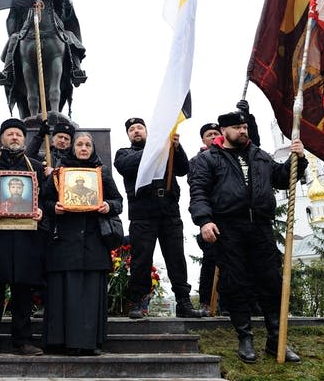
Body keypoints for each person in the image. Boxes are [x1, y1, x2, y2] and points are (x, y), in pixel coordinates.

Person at [188, 110, 306, 363]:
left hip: (261, 227)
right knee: (236, 284)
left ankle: (276, 339)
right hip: (228, 229)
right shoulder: (209, 159)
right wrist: (204, 220)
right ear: (224, 132)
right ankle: (245, 337)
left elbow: (283, 179)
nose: (243, 131)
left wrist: (298, 159)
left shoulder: (260, 156)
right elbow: (198, 192)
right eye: (238, 128)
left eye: (245, 127)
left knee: (271, 282)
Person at [114, 117, 206, 319]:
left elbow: (183, 169)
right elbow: (125, 166)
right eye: (132, 129)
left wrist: (175, 147)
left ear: (147, 131)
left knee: (176, 259)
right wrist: (156, 148)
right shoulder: (124, 153)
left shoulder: (166, 149)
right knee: (141, 260)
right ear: (128, 135)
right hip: (142, 213)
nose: (136, 131)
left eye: (140, 128)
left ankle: (183, 301)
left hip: (169, 211)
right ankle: (137, 301)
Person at [42, 132, 123, 355]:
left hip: (93, 243)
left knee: (89, 295)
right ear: (73, 148)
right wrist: (53, 208)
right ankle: (60, 342)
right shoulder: (59, 172)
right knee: (63, 293)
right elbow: (44, 200)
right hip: (64, 242)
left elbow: (118, 202)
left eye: (88, 144)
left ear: (93, 149)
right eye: (80, 144)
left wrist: (108, 205)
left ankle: (88, 343)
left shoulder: (102, 173)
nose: (84, 148)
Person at [0, 118, 47, 356]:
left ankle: (23, 341)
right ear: (2, 138)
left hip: (27, 236)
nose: (14, 137)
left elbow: (46, 198)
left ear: (24, 139)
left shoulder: (36, 167)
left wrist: (41, 211)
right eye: (9, 134)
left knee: (23, 290)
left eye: (18, 134)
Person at [191, 122, 222, 315]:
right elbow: (197, 184)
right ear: (203, 139)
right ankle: (205, 302)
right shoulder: (197, 159)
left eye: (216, 133)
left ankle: (227, 303)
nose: (213, 137)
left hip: (230, 216)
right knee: (210, 261)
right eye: (209, 134)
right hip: (210, 216)